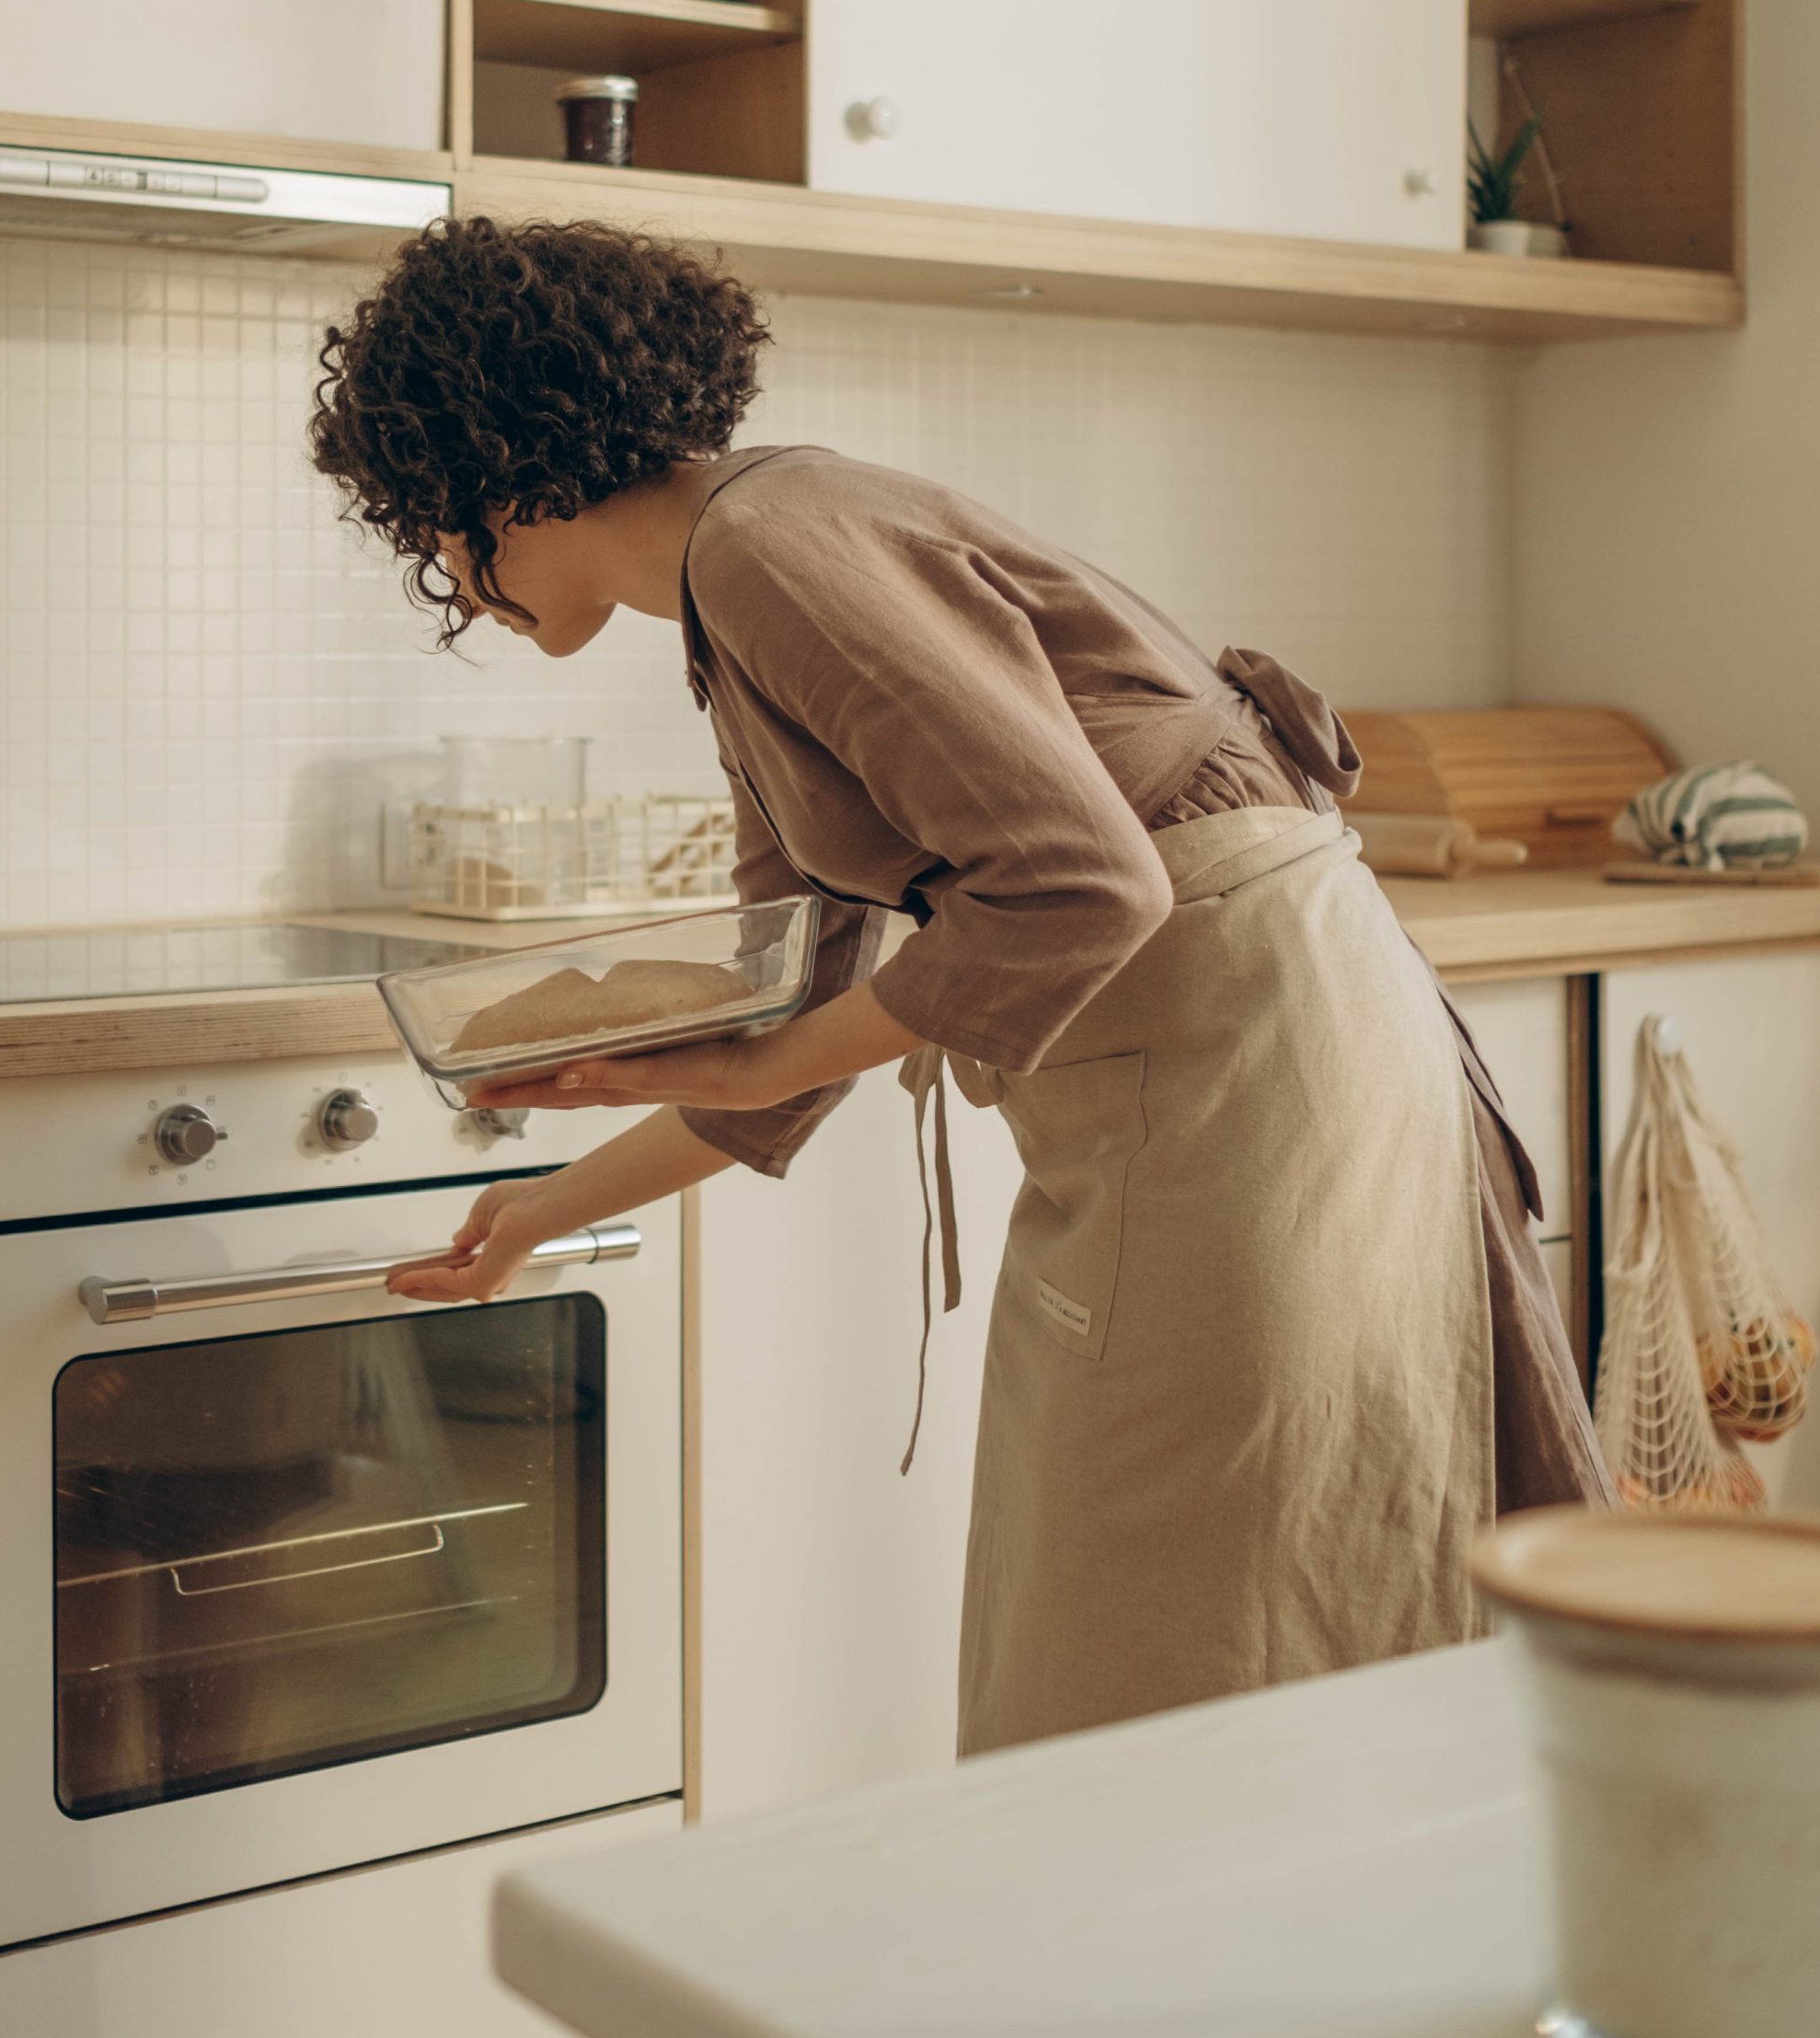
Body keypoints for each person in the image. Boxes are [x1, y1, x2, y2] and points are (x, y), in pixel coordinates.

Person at [308, 215, 1610, 1756]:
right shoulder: (739, 595)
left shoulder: (769, 550)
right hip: (1208, 1090)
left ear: (503, 473)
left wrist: (739, 1069)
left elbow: (1079, 889)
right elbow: (790, 1017)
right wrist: (552, 1201)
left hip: (1254, 1095)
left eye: (433, 536)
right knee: (1173, 1624)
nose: (452, 582)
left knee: (1189, 1647)